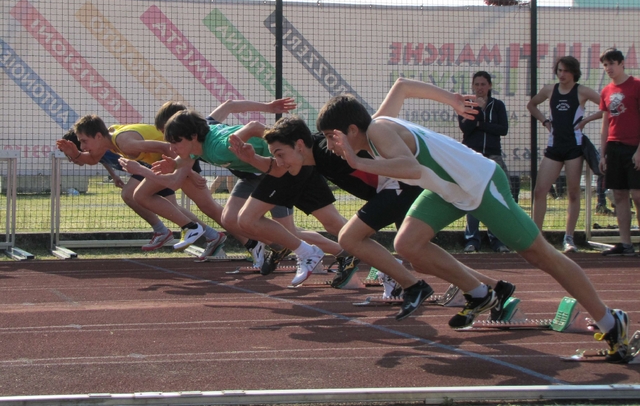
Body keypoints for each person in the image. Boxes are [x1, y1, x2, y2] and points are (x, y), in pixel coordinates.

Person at [316, 77, 631, 363]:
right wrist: (452, 99)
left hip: (480, 184)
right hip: (449, 191)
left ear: (351, 130)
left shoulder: (377, 130)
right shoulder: (376, 125)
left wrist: (357, 161)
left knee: (541, 256)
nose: (331, 146)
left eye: (331, 137)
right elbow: (401, 86)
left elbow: (410, 170)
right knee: (409, 244)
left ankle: (609, 321)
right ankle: (481, 294)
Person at [229, 115, 516, 315]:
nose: (278, 161)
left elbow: (379, 151)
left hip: (400, 187)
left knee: (353, 238)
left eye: (280, 153)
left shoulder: (331, 150)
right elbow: (280, 168)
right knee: (420, 257)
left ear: (300, 146)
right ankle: (495, 287)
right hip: (393, 191)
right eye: (275, 155)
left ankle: (413, 286)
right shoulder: (307, 156)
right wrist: (252, 159)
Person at [139, 108, 343, 286]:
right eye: (170, 143)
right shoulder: (194, 147)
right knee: (230, 219)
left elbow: (254, 126)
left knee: (288, 230)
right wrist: (171, 166)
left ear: (193, 136)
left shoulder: (221, 148)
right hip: (253, 173)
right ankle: (289, 247)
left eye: (176, 142)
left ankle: (332, 253)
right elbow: (176, 179)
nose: (172, 148)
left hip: (274, 168)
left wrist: (278, 147)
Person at [56, 116, 224, 252]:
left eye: (84, 142)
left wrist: (188, 170)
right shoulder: (107, 142)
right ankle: (215, 235)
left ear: (98, 136)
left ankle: (186, 229)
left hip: (173, 159)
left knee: (138, 195)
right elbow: (91, 159)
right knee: (184, 206)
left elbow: (167, 147)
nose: (83, 147)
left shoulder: (125, 144)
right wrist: (76, 154)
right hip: (163, 163)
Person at [527, 56, 603, 253]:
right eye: (559, 70)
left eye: (566, 71)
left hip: (574, 148)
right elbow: (532, 105)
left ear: (573, 72)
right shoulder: (549, 89)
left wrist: (586, 120)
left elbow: (606, 106)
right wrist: (545, 121)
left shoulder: (582, 91)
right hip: (554, 147)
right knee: (539, 190)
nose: (562, 74)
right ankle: (537, 237)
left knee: (573, 192)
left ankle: (568, 238)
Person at [458, 71, 510, 253]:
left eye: (483, 84)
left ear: (489, 86)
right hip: (472, 155)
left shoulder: (498, 106)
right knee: (473, 196)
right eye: (477, 84)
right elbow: (466, 128)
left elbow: (502, 129)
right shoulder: (467, 105)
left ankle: (497, 239)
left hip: (493, 156)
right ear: (472, 86)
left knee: (494, 197)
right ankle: (472, 239)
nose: (480, 88)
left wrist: (481, 124)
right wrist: (477, 110)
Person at [598, 48, 640, 257]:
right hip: (614, 148)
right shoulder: (606, 91)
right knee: (620, 195)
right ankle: (626, 244)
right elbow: (606, 124)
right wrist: (603, 153)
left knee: (638, 195)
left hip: (634, 147)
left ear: (622, 63)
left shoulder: (636, 85)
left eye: (612, 63)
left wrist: (639, 150)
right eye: (605, 65)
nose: (609, 68)